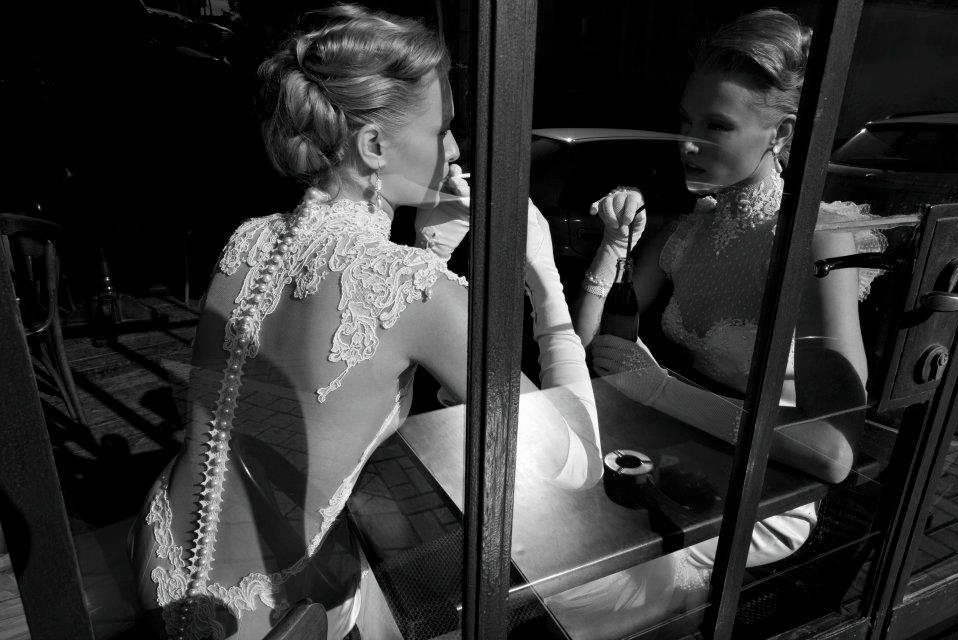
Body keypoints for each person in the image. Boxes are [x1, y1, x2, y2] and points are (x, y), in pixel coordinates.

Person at [129, 5, 602, 639]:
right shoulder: (419, 293)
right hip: (262, 617)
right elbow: (575, 466)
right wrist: (542, 276)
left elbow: (338, 375)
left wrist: (428, 250)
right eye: (443, 130)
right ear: (374, 146)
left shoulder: (249, 239)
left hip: (160, 549)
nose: (454, 150)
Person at [548, 9, 885, 638]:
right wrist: (614, 246)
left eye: (716, 126)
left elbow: (833, 452)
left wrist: (662, 390)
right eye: (684, 122)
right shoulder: (692, 225)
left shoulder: (815, 238)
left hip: (769, 492)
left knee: (579, 602)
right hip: (682, 460)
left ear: (781, 135)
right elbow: (593, 346)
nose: (688, 143)